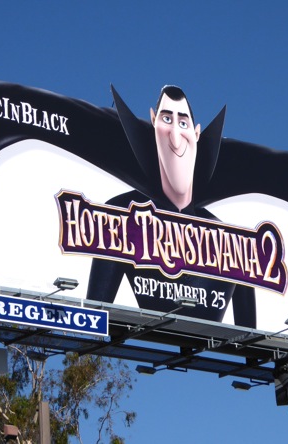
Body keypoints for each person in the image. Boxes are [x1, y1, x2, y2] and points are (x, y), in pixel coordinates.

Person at [86, 85, 256, 328]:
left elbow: (249, 339)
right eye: (167, 119)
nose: (175, 138)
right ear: (153, 122)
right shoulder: (121, 216)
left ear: (197, 133)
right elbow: (94, 319)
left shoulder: (233, 241)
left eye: (183, 122)